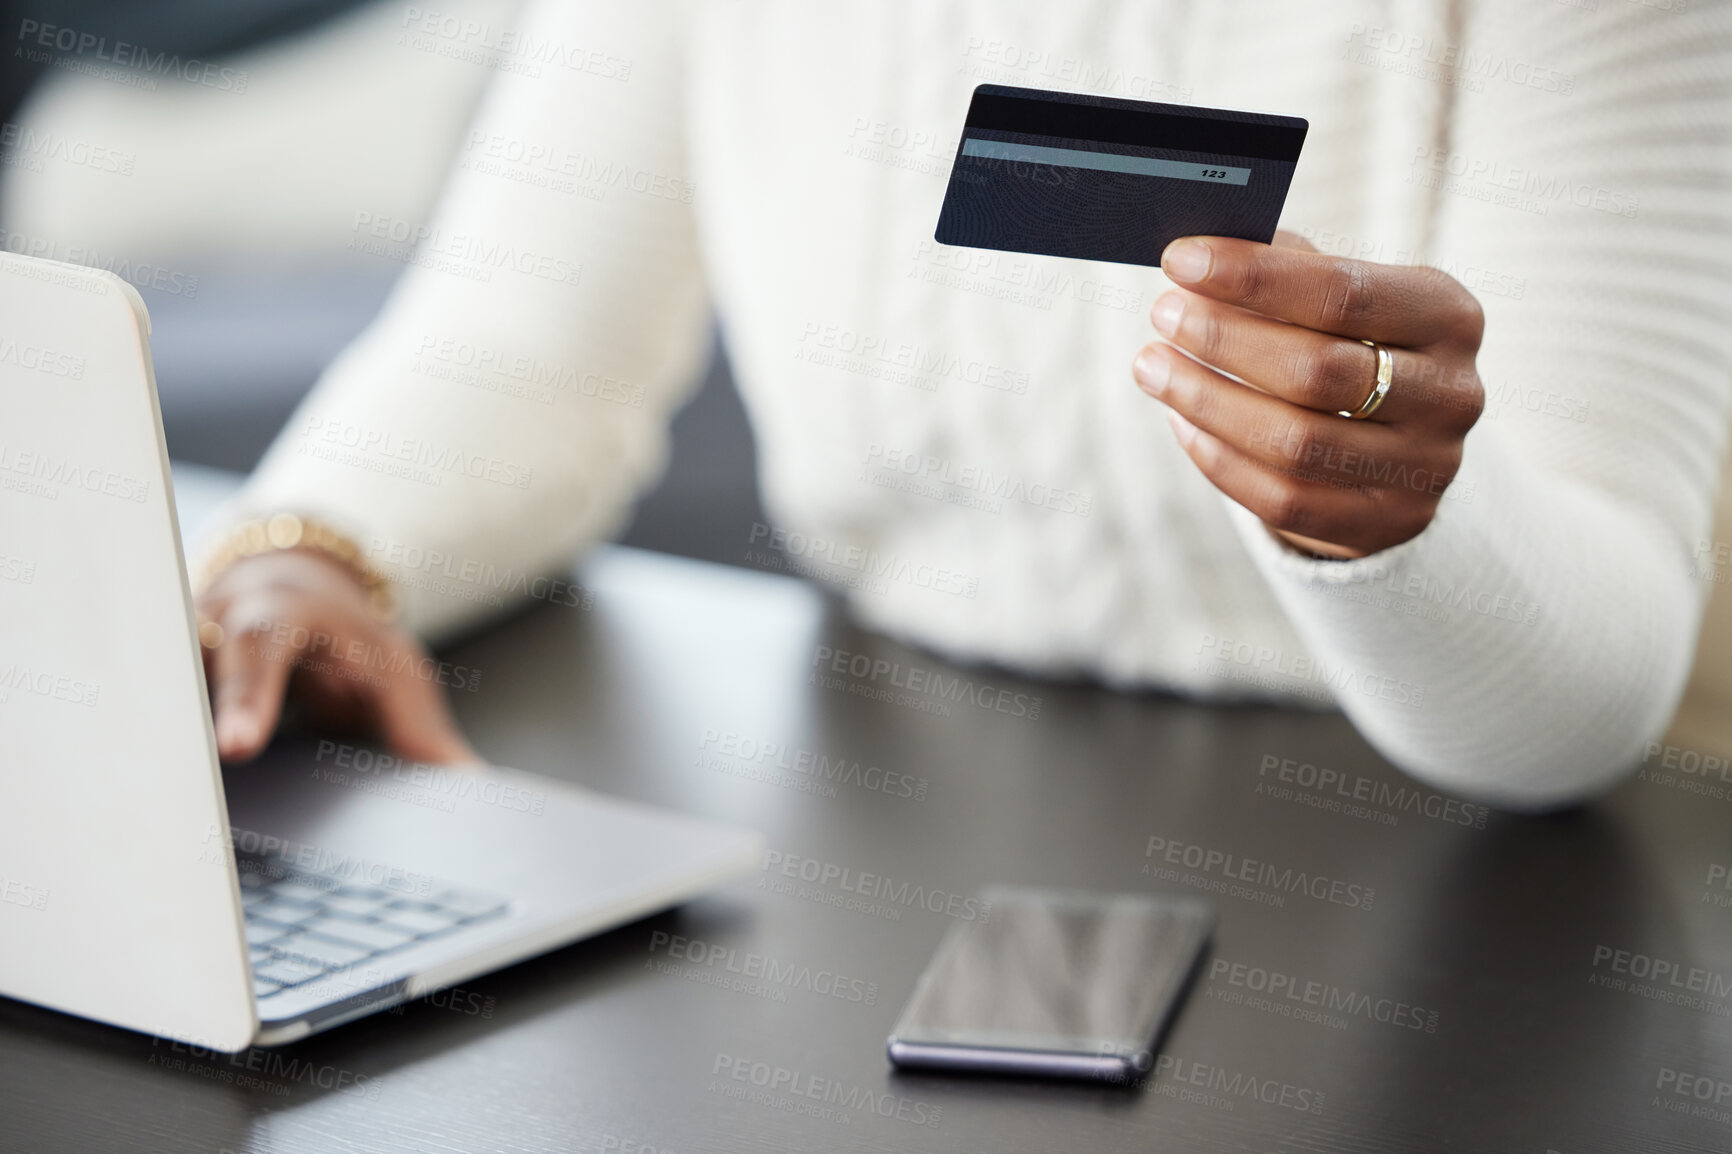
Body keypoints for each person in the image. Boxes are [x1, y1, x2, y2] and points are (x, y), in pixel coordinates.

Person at [191, 0, 1732, 810]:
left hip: (1480, 861)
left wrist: (1395, 527)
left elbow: (1585, 701)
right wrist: (312, 542)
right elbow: (521, 344)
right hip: (888, 794)